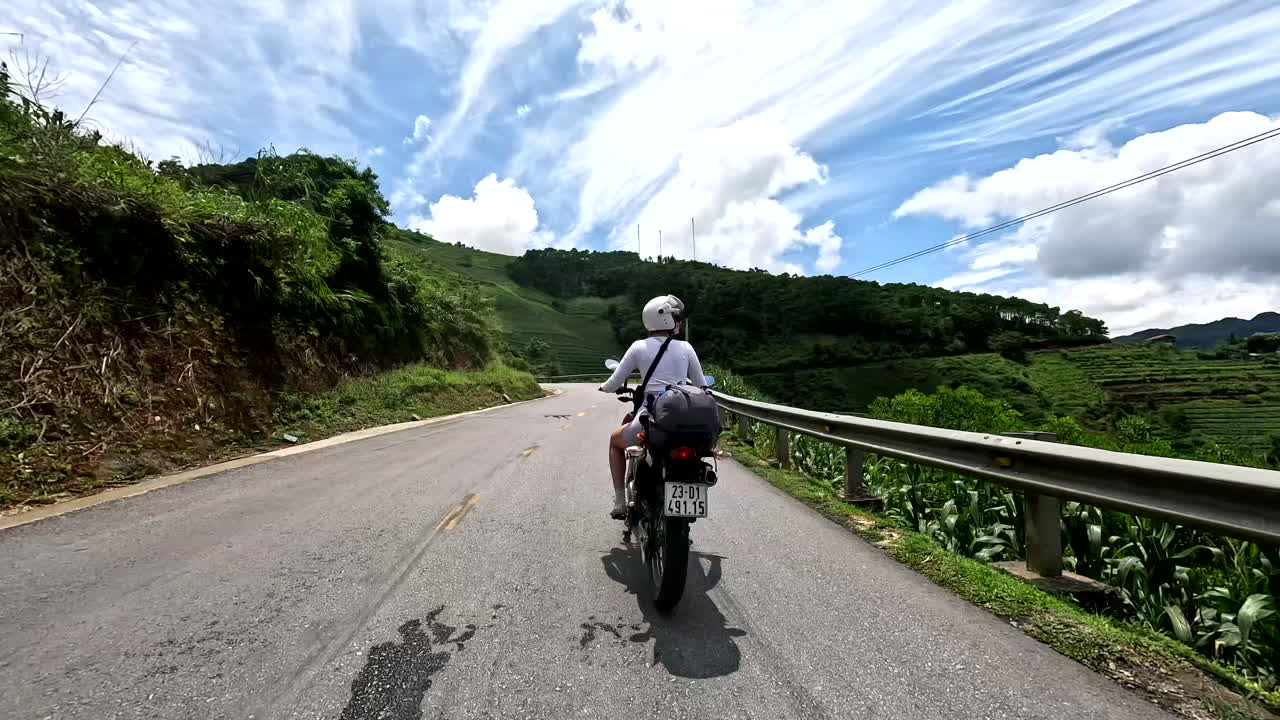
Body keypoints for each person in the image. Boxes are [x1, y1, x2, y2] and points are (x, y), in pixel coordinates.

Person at [598, 294, 706, 519]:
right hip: (685, 420)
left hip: (651, 418)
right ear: (665, 319)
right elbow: (701, 386)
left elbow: (615, 382)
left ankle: (619, 501)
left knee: (615, 442)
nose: (677, 322)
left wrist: (604, 387)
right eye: (675, 317)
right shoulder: (686, 348)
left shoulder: (639, 347)